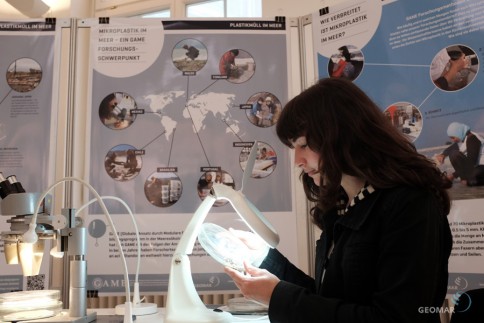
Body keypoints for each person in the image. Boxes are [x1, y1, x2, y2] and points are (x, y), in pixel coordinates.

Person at [225, 77, 453, 323]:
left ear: (340, 134)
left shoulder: (411, 205)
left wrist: (278, 297)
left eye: (303, 145)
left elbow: (395, 318)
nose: (297, 161)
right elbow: (330, 298)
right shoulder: (342, 208)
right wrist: (266, 258)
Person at [435, 122, 484, 186]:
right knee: (453, 152)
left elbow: (472, 162)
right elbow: (452, 147)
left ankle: (467, 180)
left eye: (453, 137)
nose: (452, 140)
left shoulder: (472, 139)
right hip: (476, 167)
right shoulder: (465, 137)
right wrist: (443, 155)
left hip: (481, 168)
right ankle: (467, 180)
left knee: (454, 154)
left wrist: (453, 175)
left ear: (458, 133)